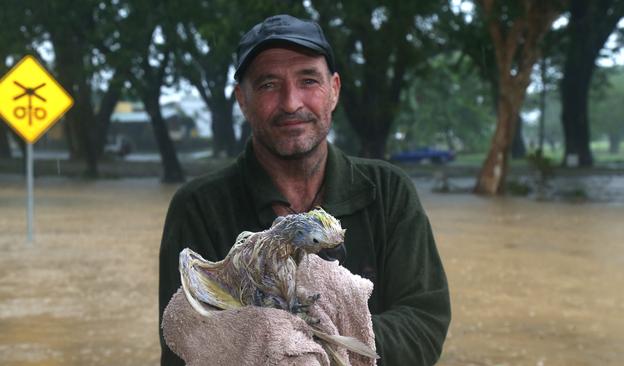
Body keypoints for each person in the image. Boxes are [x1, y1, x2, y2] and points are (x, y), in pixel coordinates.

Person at [159, 14, 451, 366]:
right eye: (268, 84)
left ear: (334, 90)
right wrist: (275, 344)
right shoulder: (198, 206)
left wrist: (320, 346)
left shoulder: (389, 191)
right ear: (242, 100)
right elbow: (183, 344)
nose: (291, 103)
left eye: (308, 80)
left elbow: (424, 322)